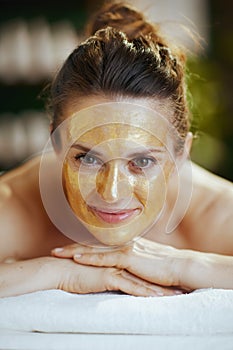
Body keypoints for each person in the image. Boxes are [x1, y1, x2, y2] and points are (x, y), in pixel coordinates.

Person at [0, 2, 232, 298]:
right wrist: (59, 272)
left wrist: (183, 265)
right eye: (88, 157)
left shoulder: (215, 213)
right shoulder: (20, 203)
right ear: (56, 144)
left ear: (180, 154)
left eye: (143, 161)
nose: (111, 192)